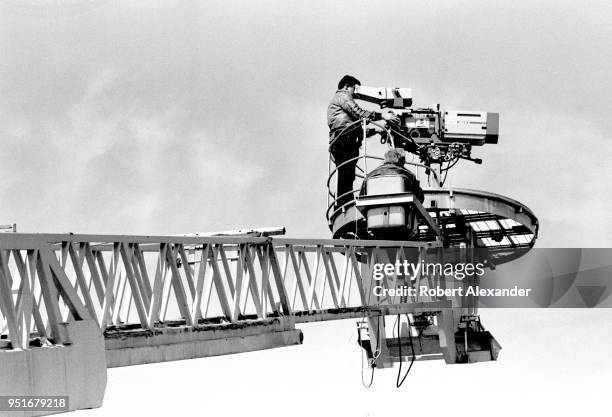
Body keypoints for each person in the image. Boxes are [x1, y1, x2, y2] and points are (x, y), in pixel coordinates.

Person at [327, 75, 399, 211]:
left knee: (347, 174)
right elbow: (358, 113)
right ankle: (344, 203)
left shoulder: (340, 106)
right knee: (346, 173)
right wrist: (382, 115)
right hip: (345, 139)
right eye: (355, 89)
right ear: (347, 86)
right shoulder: (343, 96)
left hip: (345, 138)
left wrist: (377, 130)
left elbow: (357, 128)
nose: (355, 93)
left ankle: (344, 202)